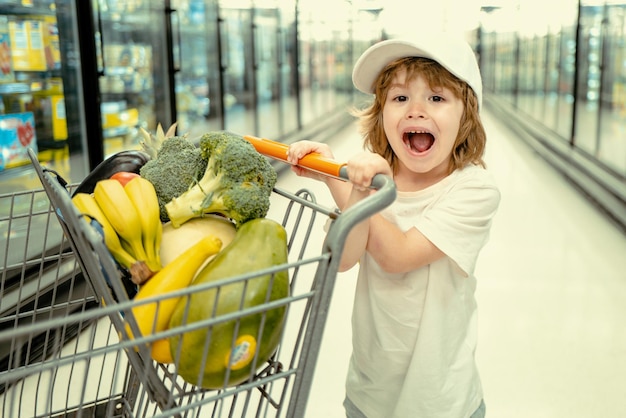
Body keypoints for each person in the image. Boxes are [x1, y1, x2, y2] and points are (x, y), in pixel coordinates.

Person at [287, 32, 500, 418]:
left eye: (436, 98)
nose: (416, 110)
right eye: (400, 98)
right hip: (370, 392)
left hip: (440, 398)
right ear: (381, 114)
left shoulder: (473, 189)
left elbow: (398, 256)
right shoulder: (373, 179)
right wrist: (340, 179)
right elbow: (347, 257)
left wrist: (360, 185)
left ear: (466, 115)